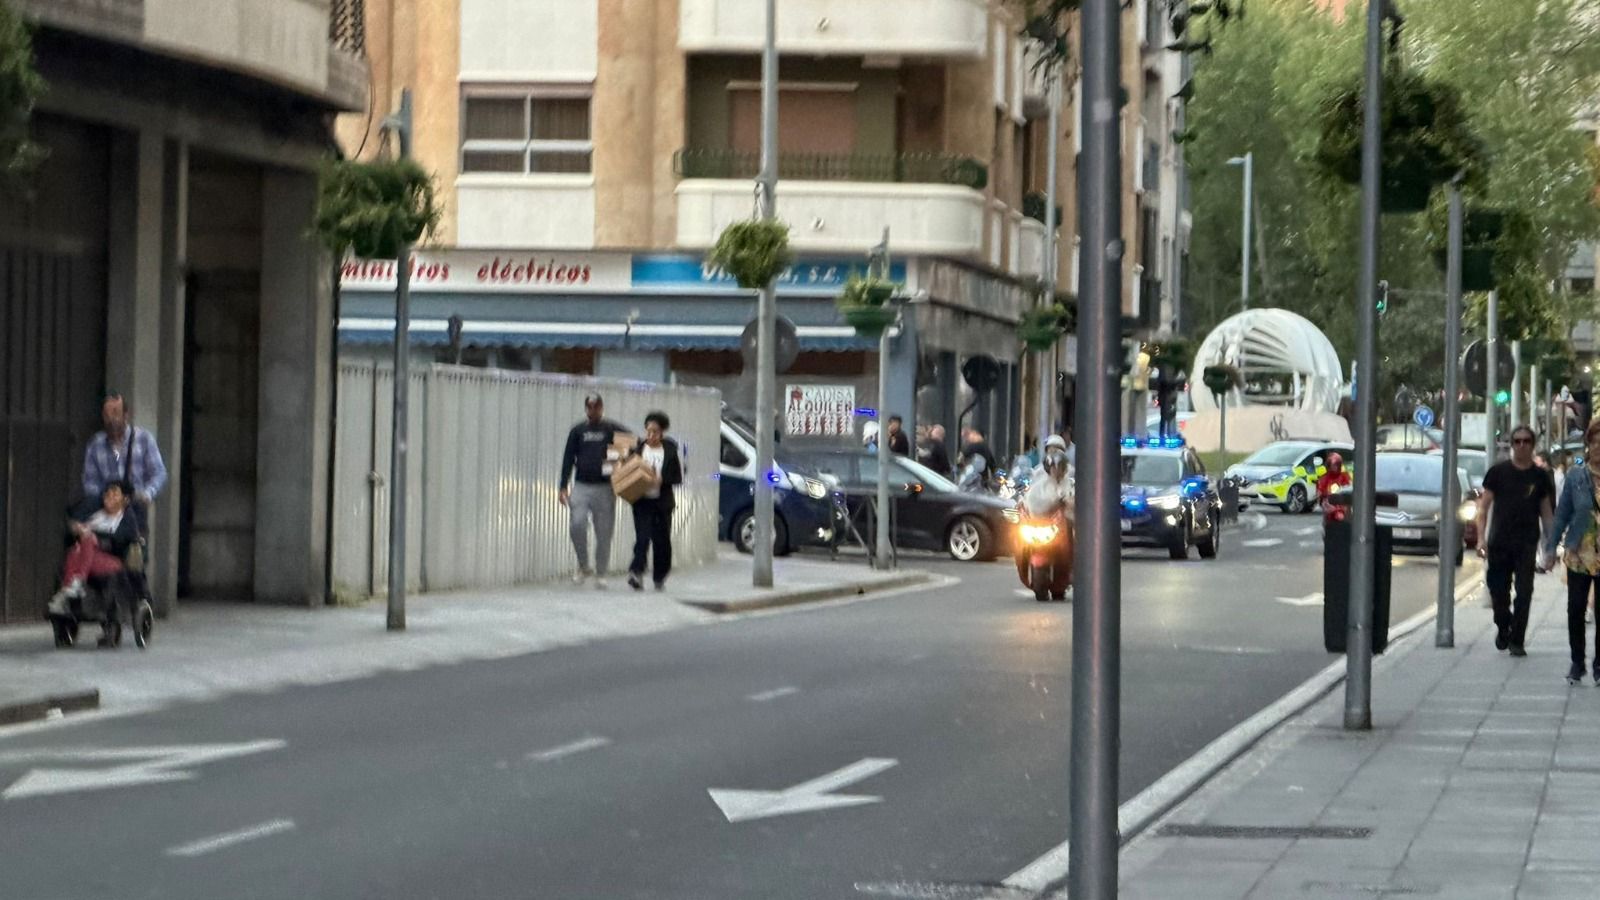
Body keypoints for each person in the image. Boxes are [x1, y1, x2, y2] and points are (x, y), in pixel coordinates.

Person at [1479, 424, 1556, 659]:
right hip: (1499, 542)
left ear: (1533, 445)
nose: (1521, 446)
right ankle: (1504, 626)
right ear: (1512, 445)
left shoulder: (1540, 477)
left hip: (1526, 543)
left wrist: (1550, 548)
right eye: (1517, 441)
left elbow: (1547, 514)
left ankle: (1517, 640)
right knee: (1498, 592)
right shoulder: (1498, 472)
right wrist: (1480, 539)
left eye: (1526, 441)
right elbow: (1483, 507)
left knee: (1525, 591)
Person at [1544, 420, 1600, 683]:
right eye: (1595, 442)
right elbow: (1563, 513)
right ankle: (1577, 662)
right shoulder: (1577, 476)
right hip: (1579, 551)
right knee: (1576, 608)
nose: (1599, 447)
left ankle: (1599, 664)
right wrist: (1551, 548)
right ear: (1588, 445)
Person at [559, 393, 627, 588]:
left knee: (604, 532)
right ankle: (583, 565)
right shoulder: (578, 431)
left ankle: (601, 572)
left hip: (605, 488)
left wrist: (619, 470)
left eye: (596, 407)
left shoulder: (611, 428)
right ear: (586, 409)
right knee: (577, 524)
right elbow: (568, 458)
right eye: (589, 407)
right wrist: (563, 486)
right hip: (581, 486)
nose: (593, 410)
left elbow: (632, 443)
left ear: (602, 408)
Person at [47, 480, 140, 621]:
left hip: (112, 562)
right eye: (107, 493)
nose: (109, 497)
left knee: (87, 541)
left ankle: (75, 584)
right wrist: (76, 528)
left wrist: (95, 538)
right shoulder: (95, 512)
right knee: (75, 550)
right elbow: (72, 521)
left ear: (125, 499)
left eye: (115, 494)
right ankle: (71, 588)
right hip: (84, 556)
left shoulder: (126, 521)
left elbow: (124, 540)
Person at [82, 394, 167, 537]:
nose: (111, 419)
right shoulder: (95, 445)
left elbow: (159, 473)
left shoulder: (144, 440)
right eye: (107, 415)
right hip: (105, 515)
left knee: (134, 554)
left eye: (115, 413)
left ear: (125, 415)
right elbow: (89, 481)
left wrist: (147, 493)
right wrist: (105, 499)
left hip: (134, 511)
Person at [626, 411, 683, 592]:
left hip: (662, 503)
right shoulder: (638, 449)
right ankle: (636, 572)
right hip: (642, 502)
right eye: (648, 431)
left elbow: (677, 477)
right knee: (642, 539)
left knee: (662, 542)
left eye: (655, 432)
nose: (651, 436)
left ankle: (659, 577)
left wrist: (662, 479)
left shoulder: (670, 451)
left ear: (662, 433)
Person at [1019, 435, 1075, 599]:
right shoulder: (1038, 473)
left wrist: (1070, 501)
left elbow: (1076, 493)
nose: (1055, 470)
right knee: (1019, 538)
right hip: (1041, 520)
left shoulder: (1071, 476)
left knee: (1075, 535)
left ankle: (1073, 569)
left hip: (1063, 520)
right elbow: (1029, 492)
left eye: (1057, 448)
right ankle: (1023, 560)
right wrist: (1022, 502)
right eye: (1050, 448)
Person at [1315, 452, 1352, 523]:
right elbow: (1320, 489)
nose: (1335, 467)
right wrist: (1320, 494)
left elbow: (1348, 487)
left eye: (1337, 465)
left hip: (1342, 502)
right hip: (1329, 501)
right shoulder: (1325, 477)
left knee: (1345, 514)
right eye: (1333, 465)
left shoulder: (1344, 476)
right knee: (1327, 513)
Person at [959, 427, 998, 491]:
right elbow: (992, 465)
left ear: (976, 435)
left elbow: (960, 461)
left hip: (969, 480)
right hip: (982, 480)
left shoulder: (969, 448)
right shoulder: (985, 448)